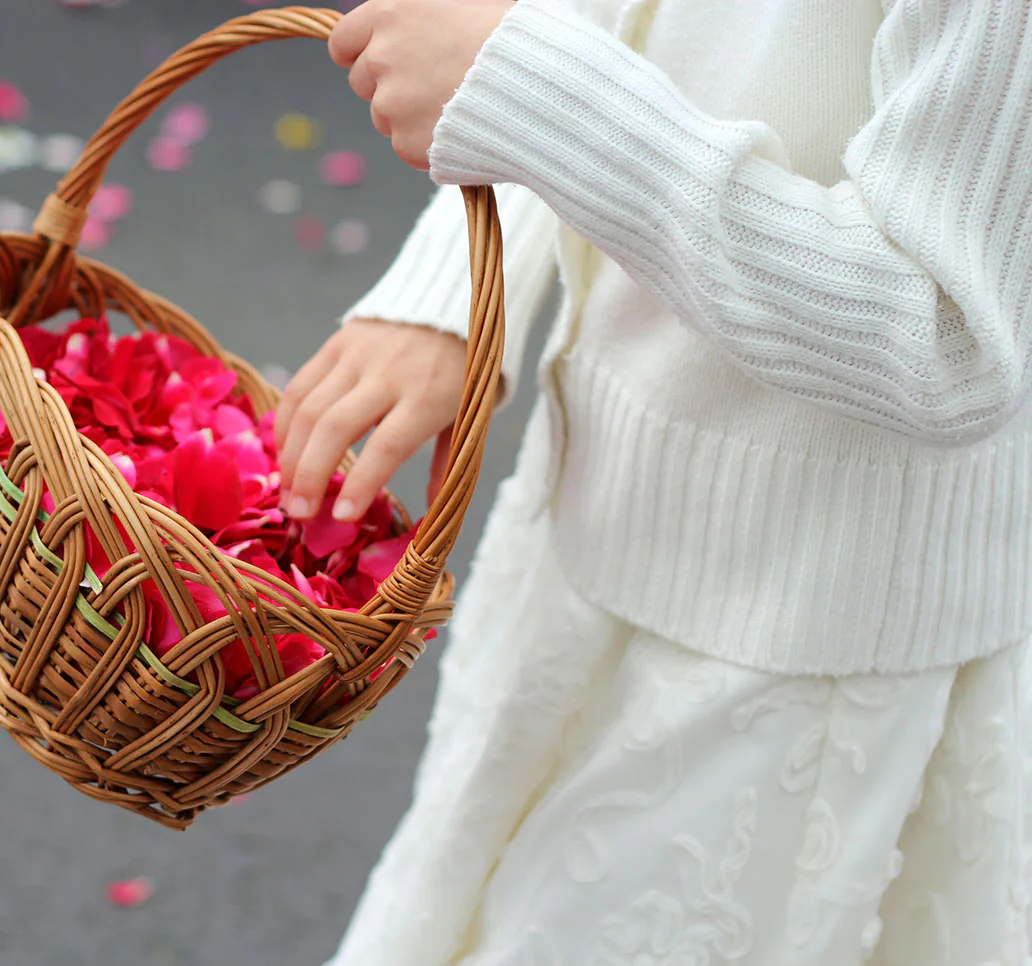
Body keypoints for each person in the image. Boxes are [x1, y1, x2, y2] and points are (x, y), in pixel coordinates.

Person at [275, 1, 1032, 963]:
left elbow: (949, 335)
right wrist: (461, 286)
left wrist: (529, 93)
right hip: (589, 530)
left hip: (811, 640)